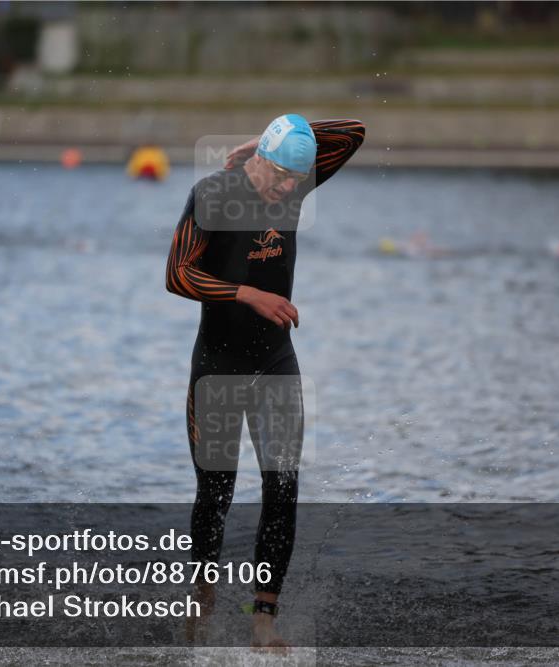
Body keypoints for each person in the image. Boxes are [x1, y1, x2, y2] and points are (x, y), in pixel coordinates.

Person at [165, 114, 365, 651]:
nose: (287, 190)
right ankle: (202, 601)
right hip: (218, 364)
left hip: (274, 362)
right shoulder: (213, 194)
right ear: (260, 163)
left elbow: (354, 132)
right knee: (216, 491)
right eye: (280, 176)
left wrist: (275, 136)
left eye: (297, 181)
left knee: (283, 484)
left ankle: (263, 620)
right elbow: (177, 274)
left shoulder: (293, 188)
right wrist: (247, 294)